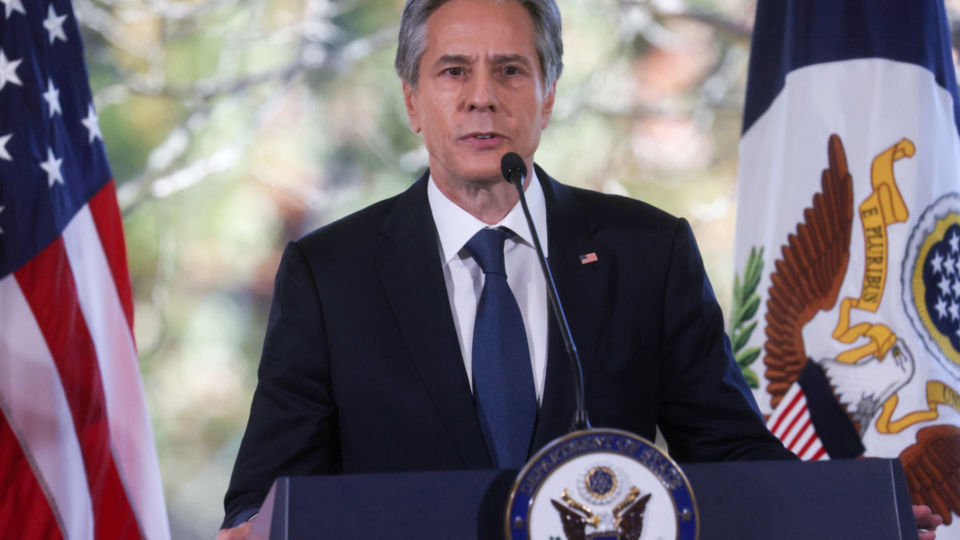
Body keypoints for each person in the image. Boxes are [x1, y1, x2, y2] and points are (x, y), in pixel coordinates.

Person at [217, 0, 943, 538]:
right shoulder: (330, 274)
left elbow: (727, 449)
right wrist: (250, 526)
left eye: (510, 70)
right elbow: (266, 494)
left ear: (549, 94)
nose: (481, 96)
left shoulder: (645, 251)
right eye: (453, 71)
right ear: (412, 98)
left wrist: (850, 508)